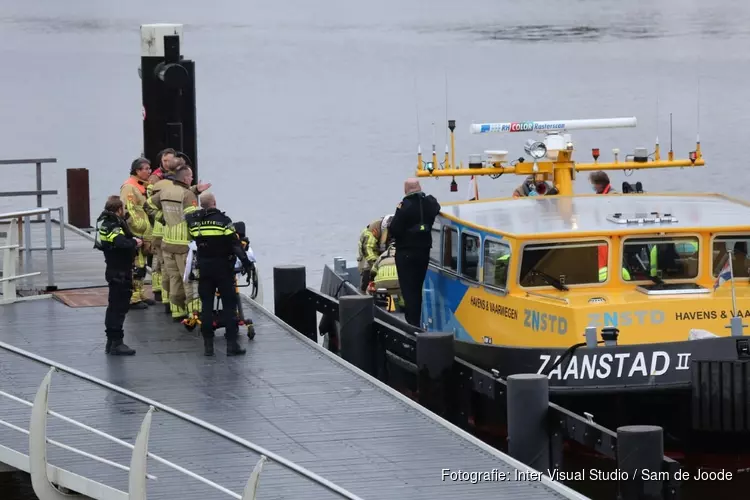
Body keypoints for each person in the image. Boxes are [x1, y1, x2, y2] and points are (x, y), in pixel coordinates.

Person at [186, 192, 254, 356]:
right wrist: (246, 263)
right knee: (229, 307)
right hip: (223, 268)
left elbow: (193, 238)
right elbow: (235, 245)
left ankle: (208, 347)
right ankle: (232, 345)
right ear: (214, 203)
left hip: (205, 269)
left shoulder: (195, 222)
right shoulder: (224, 221)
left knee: (207, 307)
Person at [146, 155, 211, 313]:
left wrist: (163, 218)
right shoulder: (187, 195)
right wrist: (203, 239)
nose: (193, 178)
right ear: (185, 178)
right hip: (183, 245)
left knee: (173, 278)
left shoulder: (166, 190)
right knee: (189, 279)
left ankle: (177, 311)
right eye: (191, 176)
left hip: (167, 242)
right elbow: (192, 220)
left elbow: (147, 205)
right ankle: (194, 312)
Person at [388, 178, 441, 327]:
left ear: (406, 190)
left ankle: (413, 325)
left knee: (409, 289)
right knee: (418, 287)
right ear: (419, 187)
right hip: (424, 252)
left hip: (406, 254)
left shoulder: (404, 207)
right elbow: (437, 207)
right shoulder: (429, 202)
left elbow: (395, 229)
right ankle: (419, 319)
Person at [94, 196, 142, 356]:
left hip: (113, 269)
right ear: (118, 209)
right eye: (123, 208)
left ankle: (111, 341)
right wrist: (135, 243)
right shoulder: (113, 226)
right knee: (119, 308)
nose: (125, 211)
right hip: (120, 272)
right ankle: (117, 343)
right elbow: (121, 243)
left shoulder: (105, 224)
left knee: (113, 306)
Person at [120, 158, 155, 309]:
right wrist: (137, 230)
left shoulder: (143, 186)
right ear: (137, 171)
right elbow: (129, 210)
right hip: (136, 233)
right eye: (146, 169)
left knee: (142, 265)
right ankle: (133, 297)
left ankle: (139, 292)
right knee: (136, 266)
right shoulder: (129, 187)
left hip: (144, 232)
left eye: (149, 168)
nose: (149, 171)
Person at [356, 214, 393, 292]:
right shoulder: (371, 231)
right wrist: (375, 263)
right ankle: (364, 291)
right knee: (367, 270)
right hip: (368, 255)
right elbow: (367, 249)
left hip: (384, 252)